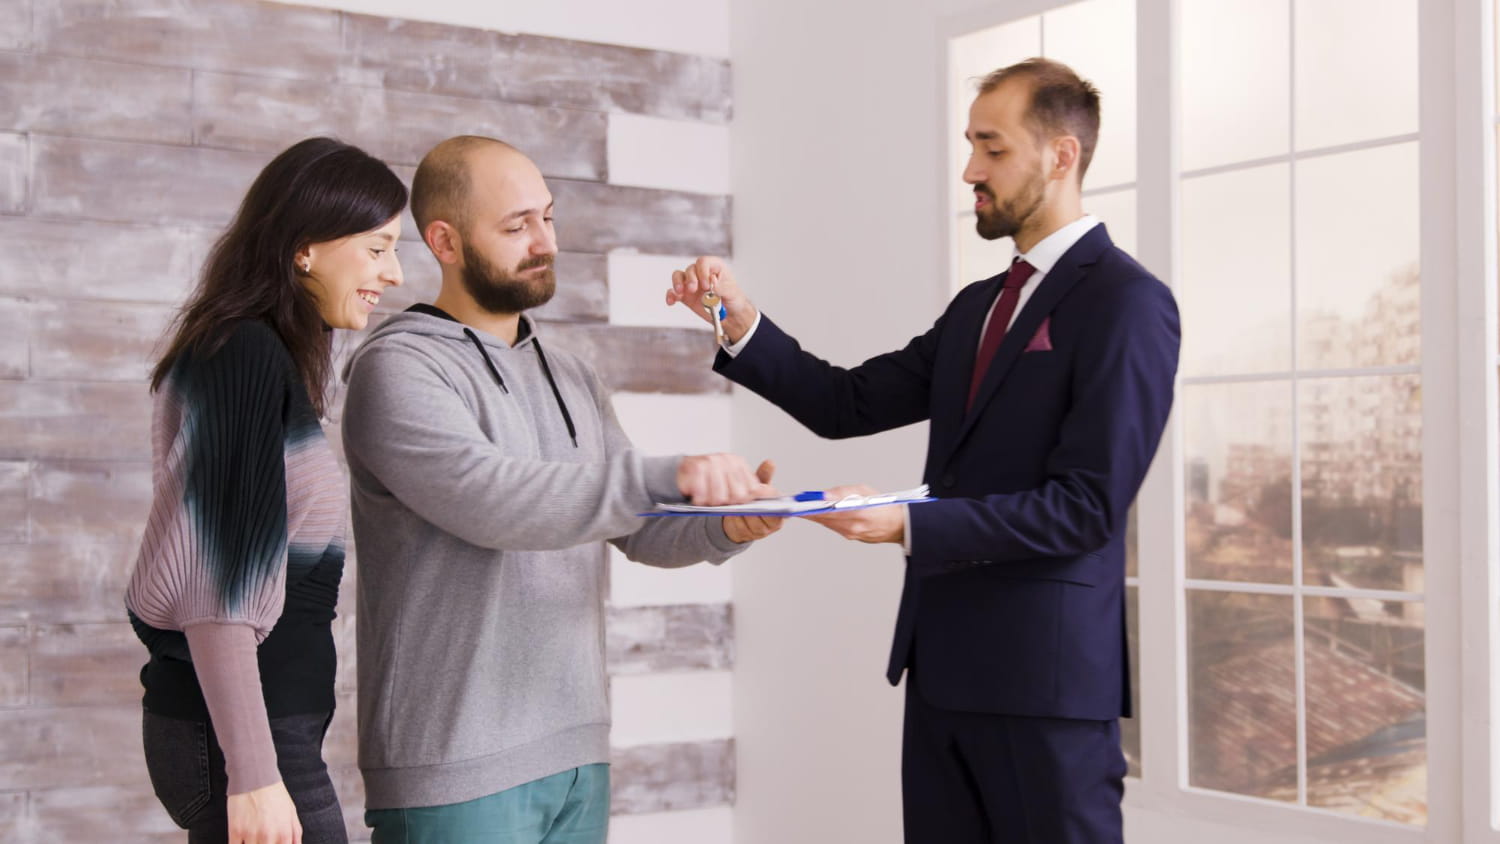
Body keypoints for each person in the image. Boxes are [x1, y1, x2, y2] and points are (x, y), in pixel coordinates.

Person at [666, 58, 1180, 843]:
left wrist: (904, 521)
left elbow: (1085, 509)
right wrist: (738, 320)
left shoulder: (1129, 303)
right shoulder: (980, 305)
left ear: (1061, 156)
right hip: (941, 675)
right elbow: (847, 404)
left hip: (1045, 692)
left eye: (993, 147)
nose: (971, 169)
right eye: (969, 144)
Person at [341, 135, 780, 844]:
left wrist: (722, 527)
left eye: (547, 217)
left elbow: (633, 524)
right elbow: (495, 501)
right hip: (457, 770)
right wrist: (668, 472)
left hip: (576, 756)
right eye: (516, 227)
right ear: (444, 241)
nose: (544, 240)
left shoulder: (572, 374)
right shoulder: (398, 369)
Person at [126, 137, 408, 844]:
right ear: (304, 247)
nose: (395, 273)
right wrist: (253, 774)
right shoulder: (240, 353)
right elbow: (215, 584)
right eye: (377, 249)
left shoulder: (257, 355)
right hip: (241, 746)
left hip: (258, 732)